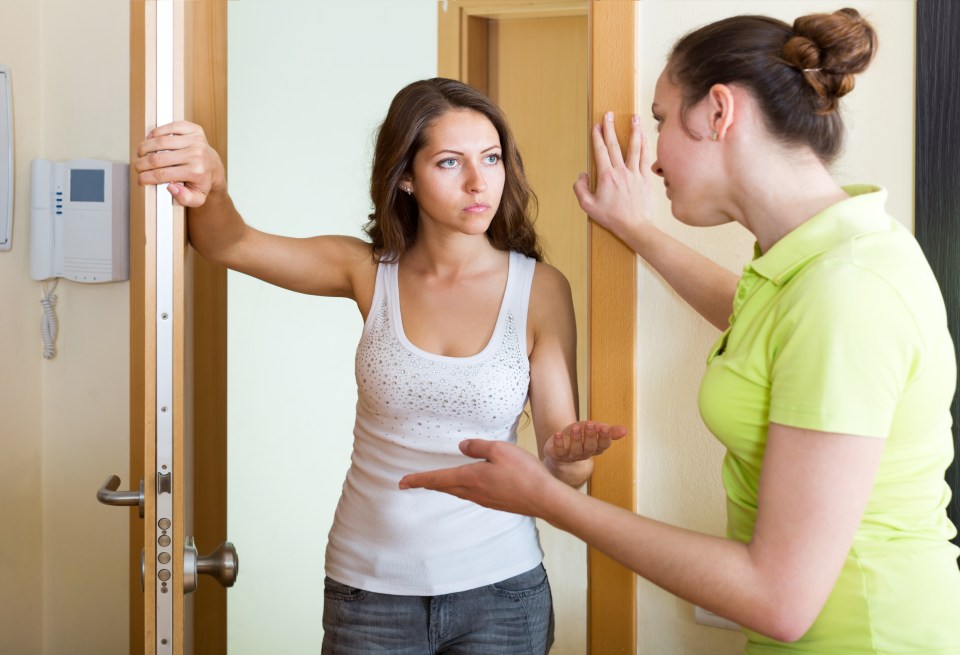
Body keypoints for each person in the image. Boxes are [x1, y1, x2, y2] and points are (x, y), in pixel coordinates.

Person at [400, 8, 960, 654]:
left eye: (662, 120)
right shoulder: (821, 257)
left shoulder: (847, 290)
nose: (655, 155)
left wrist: (549, 500)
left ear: (719, 112)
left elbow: (778, 599)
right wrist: (637, 230)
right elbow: (758, 321)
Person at [134, 78, 624, 654]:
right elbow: (230, 244)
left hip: (501, 591)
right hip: (368, 590)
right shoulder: (367, 271)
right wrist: (210, 182)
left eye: (491, 158)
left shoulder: (539, 289)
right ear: (406, 177)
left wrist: (569, 458)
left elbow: (563, 467)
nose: (478, 181)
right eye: (450, 162)